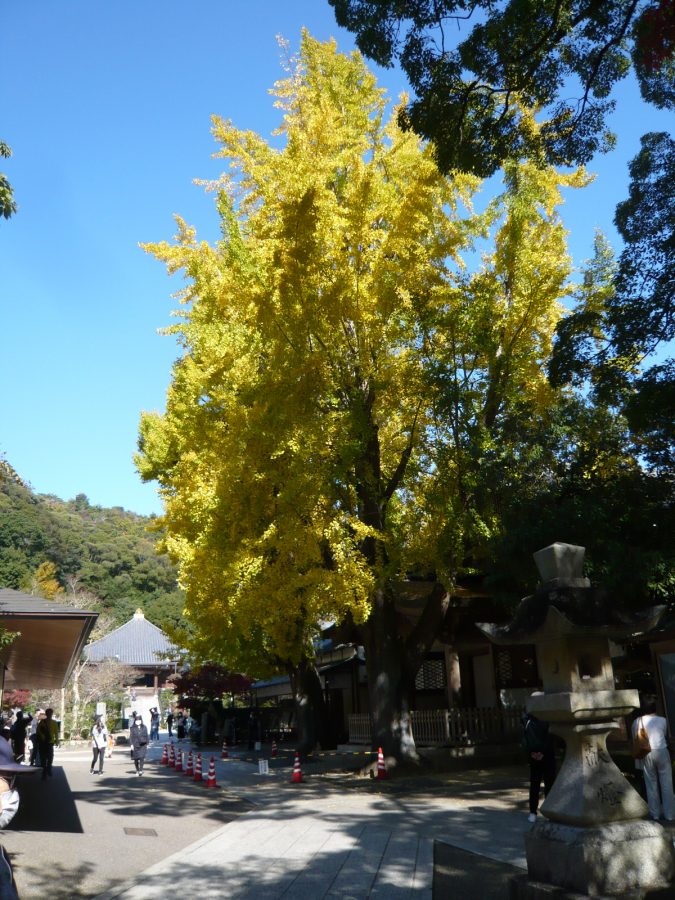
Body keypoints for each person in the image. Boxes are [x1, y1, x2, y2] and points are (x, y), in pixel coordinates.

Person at [633, 699, 674, 821]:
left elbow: (635, 739)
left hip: (647, 753)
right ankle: (670, 815)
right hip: (662, 751)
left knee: (651, 784)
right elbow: (664, 734)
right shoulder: (663, 720)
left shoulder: (637, 721)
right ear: (655, 709)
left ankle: (655, 815)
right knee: (667, 784)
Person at [522, 711, 556, 823]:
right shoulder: (527, 720)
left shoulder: (548, 718)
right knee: (534, 785)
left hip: (547, 756)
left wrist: (543, 752)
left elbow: (551, 737)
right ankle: (533, 812)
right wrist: (531, 753)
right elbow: (524, 739)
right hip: (534, 757)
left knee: (549, 785)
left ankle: (550, 810)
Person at [35, 708, 59, 780]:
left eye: (50, 713)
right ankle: (45, 772)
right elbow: (38, 731)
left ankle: (48, 769)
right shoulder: (42, 722)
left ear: (51, 714)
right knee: (43, 759)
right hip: (43, 743)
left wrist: (56, 741)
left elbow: (56, 733)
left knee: (50, 757)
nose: (49, 714)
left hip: (49, 743)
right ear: (47, 714)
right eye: (48, 713)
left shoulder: (54, 722)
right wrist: (43, 738)